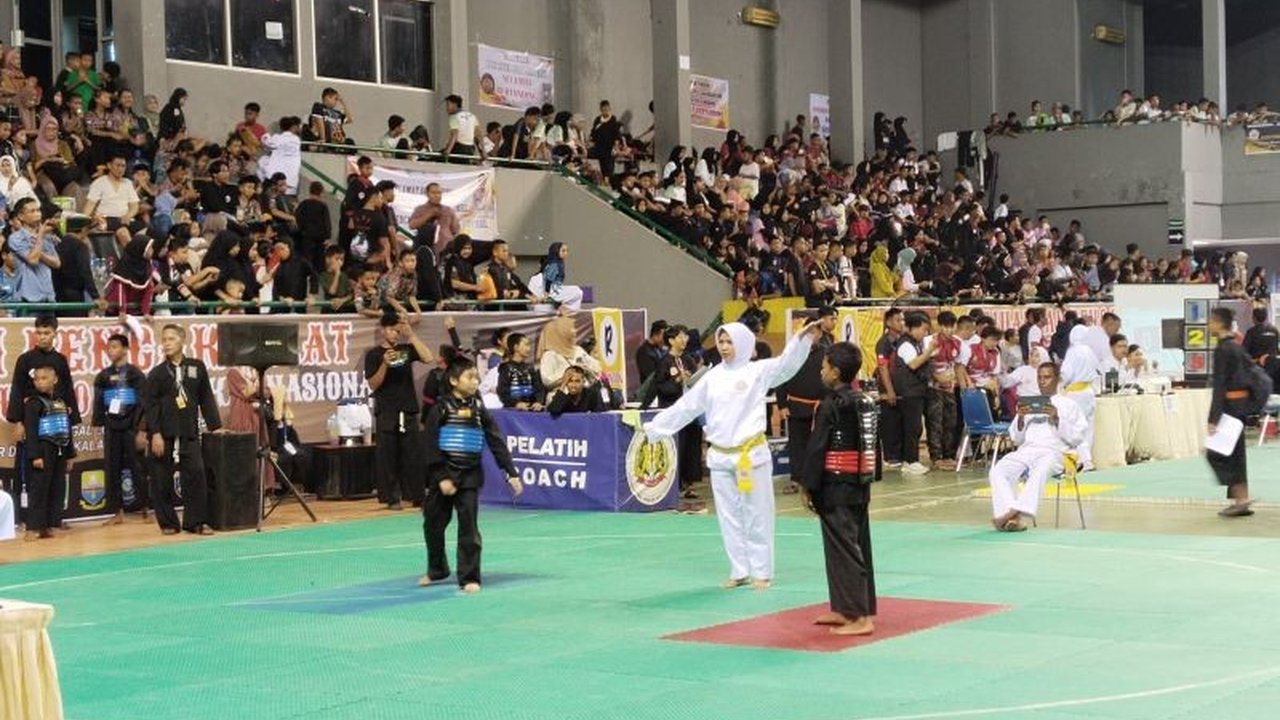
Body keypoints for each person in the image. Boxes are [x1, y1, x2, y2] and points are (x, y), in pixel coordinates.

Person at [645, 320, 820, 590]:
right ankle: (739, 570)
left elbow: (787, 364)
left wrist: (802, 339)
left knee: (758, 513)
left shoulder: (758, 371)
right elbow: (686, 407)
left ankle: (761, 571)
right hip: (721, 456)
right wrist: (655, 428)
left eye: (730, 342)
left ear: (743, 344)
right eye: (721, 342)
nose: (724, 347)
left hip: (750, 455)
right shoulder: (712, 377)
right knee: (728, 515)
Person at [420, 358, 521, 592]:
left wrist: (510, 471)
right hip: (443, 477)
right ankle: (437, 570)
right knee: (433, 525)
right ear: (454, 380)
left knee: (469, 529)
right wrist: (442, 477)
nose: (475, 381)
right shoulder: (440, 408)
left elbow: (495, 439)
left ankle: (469, 577)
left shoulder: (479, 409)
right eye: (469, 377)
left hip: (469, 477)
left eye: (477, 377)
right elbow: (430, 446)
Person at [798, 342, 879, 636]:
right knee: (855, 545)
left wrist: (808, 485)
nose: (821, 370)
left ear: (835, 371)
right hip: (859, 483)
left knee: (844, 549)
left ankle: (861, 618)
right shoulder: (864, 400)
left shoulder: (832, 404)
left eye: (824, 366)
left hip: (834, 486)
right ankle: (847, 608)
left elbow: (818, 446)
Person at [142, 324, 222, 535]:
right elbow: (150, 406)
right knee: (161, 480)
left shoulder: (196, 367)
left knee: (196, 475)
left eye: (171, 339)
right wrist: (155, 433)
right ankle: (168, 523)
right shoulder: (157, 374)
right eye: (164, 340)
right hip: (164, 435)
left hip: (188, 432)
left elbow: (205, 398)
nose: (166, 343)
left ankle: (195, 522)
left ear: (182, 340)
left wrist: (216, 426)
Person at [988, 362, 1086, 532]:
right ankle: (1013, 516)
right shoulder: (1030, 403)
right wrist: (1020, 418)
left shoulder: (1069, 405)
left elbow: (1076, 438)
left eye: (1047, 377)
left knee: (1040, 470)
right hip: (1027, 450)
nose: (1042, 381)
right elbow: (1016, 438)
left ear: (1057, 379)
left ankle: (1016, 511)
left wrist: (1057, 419)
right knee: (998, 470)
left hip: (1055, 452)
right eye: (1039, 378)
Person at [364, 312, 434, 510]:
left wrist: (411, 335)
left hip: (408, 408)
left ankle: (417, 495)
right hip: (387, 410)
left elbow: (428, 357)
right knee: (388, 456)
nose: (395, 334)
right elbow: (373, 384)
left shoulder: (406, 349)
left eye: (397, 330)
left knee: (413, 454)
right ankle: (392, 498)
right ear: (383, 330)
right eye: (392, 330)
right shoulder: (374, 354)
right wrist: (385, 364)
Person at [777, 306, 837, 493]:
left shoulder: (828, 354)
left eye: (815, 332)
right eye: (808, 332)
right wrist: (782, 404)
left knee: (819, 444)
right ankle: (796, 480)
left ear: (820, 334)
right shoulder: (792, 353)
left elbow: (833, 380)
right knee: (797, 444)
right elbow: (781, 377)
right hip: (796, 405)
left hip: (820, 407)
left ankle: (817, 479)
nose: (812, 335)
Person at [92, 334, 146, 526]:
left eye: (115, 347)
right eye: (109, 347)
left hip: (131, 426)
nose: (111, 350)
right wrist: (97, 426)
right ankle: (117, 511)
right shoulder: (103, 376)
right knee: (112, 468)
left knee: (137, 467)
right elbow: (98, 403)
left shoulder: (135, 374)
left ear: (125, 349)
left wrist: (141, 429)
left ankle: (145, 509)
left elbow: (143, 403)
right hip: (111, 428)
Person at [1207, 307, 1256, 517]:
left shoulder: (1223, 349)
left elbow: (1220, 385)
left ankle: (1240, 498)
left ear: (1219, 323)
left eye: (1211, 321)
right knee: (1235, 453)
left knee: (1219, 453)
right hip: (1241, 406)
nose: (1209, 325)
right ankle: (1241, 498)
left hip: (1229, 407)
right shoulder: (1237, 346)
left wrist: (1213, 418)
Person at [21, 365, 76, 540]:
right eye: (36, 379)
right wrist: (35, 456)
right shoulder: (33, 403)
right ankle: (33, 527)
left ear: (55, 380)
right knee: (39, 489)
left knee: (57, 488)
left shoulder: (61, 402)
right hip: (43, 450)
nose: (40, 382)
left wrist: (70, 455)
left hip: (60, 449)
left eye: (44, 378)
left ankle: (51, 525)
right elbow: (31, 431)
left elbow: (66, 429)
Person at [890, 312, 935, 475]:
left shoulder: (916, 344)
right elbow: (914, 364)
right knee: (912, 427)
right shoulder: (906, 345)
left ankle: (910, 459)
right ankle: (910, 461)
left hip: (916, 390)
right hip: (909, 392)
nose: (925, 334)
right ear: (913, 328)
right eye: (923, 330)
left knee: (915, 427)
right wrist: (929, 351)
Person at [1059, 325, 1099, 470]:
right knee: (1088, 428)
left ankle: (1084, 460)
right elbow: (1097, 369)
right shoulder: (1089, 350)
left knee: (1076, 427)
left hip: (1075, 393)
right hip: (1089, 391)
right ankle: (1086, 460)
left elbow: (1066, 374)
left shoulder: (1073, 352)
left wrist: (1059, 385)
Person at [875, 309, 905, 469]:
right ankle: (891, 456)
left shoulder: (903, 340)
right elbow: (883, 368)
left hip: (902, 387)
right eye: (898, 320)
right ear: (888, 323)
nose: (902, 323)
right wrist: (890, 390)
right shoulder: (884, 343)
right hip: (888, 388)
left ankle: (900, 454)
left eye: (902, 320)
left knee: (901, 422)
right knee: (890, 422)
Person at [497, 332, 545, 410]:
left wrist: (538, 402)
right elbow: (502, 391)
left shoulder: (530, 368)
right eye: (526, 345)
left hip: (530, 410)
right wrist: (516, 404)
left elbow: (539, 388)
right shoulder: (506, 368)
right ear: (516, 347)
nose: (529, 348)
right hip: (512, 411)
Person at [635, 320, 669, 387]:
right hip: (650, 391)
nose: (665, 339)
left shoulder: (659, 349)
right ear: (656, 334)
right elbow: (650, 375)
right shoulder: (643, 351)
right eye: (664, 336)